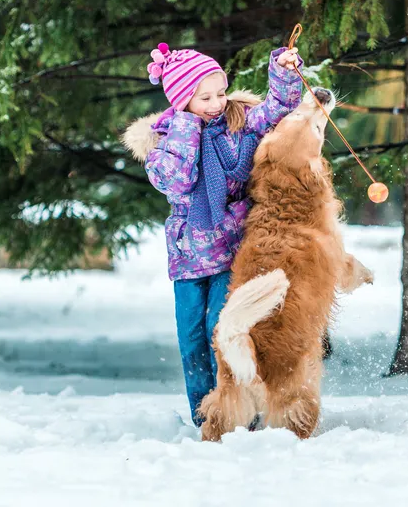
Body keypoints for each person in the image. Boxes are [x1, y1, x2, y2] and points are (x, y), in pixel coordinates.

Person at [123, 42, 303, 426]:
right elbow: (180, 180)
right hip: (188, 261)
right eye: (204, 97)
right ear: (182, 99)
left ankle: (240, 408)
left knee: (221, 333)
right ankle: (205, 415)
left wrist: (284, 72)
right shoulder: (161, 146)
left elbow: (278, 109)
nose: (216, 103)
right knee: (191, 342)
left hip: (232, 254)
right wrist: (187, 125)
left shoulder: (239, 126)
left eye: (220, 93)